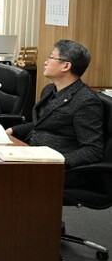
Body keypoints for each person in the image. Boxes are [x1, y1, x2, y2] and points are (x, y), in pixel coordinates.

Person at [7, 40, 103, 170]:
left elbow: (93, 150)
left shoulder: (86, 101)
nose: (45, 62)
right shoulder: (49, 90)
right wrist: (12, 131)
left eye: (51, 57)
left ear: (66, 66)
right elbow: (41, 124)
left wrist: (58, 163)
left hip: (53, 167)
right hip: (31, 153)